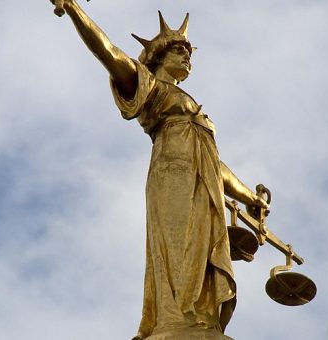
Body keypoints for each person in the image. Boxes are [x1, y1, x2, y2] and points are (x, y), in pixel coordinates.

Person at [51, 1, 269, 338]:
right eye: (179, 51)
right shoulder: (151, 88)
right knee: (177, 246)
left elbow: (215, 166)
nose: (187, 58)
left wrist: (249, 198)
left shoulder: (194, 113)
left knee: (201, 248)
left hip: (202, 179)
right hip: (173, 174)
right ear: (158, 58)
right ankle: (175, 320)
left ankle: (199, 316)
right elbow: (108, 51)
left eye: (189, 53)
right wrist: (74, 9)